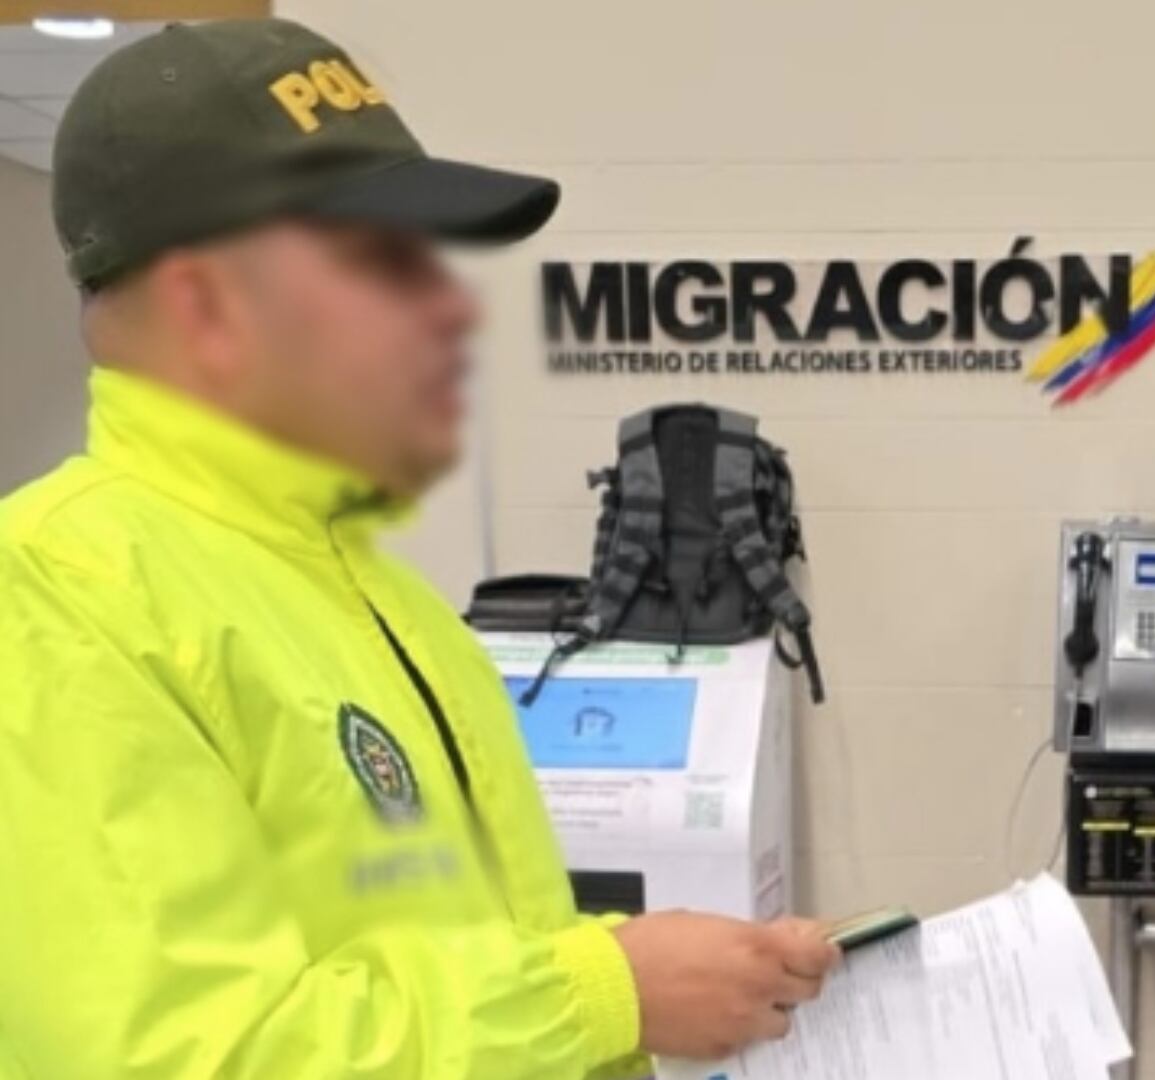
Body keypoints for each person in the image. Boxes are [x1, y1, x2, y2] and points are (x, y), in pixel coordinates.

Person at [0, 19, 837, 1079]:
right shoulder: (60, 593)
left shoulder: (372, 592)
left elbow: (460, 944)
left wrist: (648, 969)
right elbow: (175, 1056)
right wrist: (606, 991)